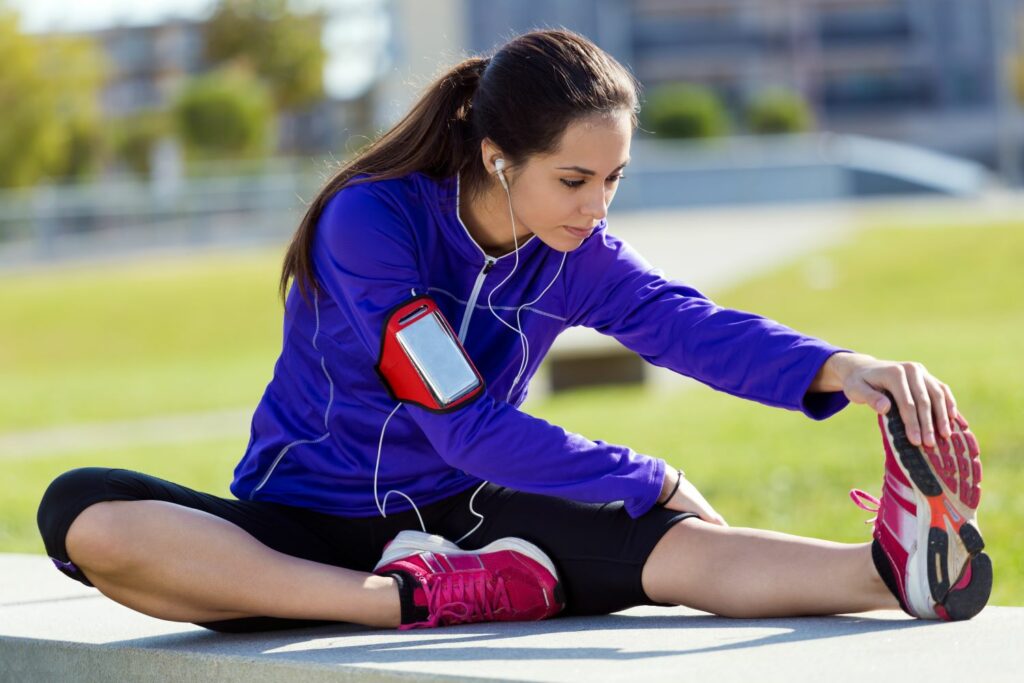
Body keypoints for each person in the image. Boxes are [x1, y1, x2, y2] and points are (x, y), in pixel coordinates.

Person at [37, 28, 990, 632]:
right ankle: (402, 601)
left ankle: (889, 568)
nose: (595, 207)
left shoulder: (576, 249)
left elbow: (685, 324)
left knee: (676, 548)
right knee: (85, 511)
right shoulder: (374, 223)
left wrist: (840, 369)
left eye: (613, 180)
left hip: (473, 524)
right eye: (574, 181)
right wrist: (646, 472)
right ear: (499, 159)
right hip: (307, 524)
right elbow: (459, 419)